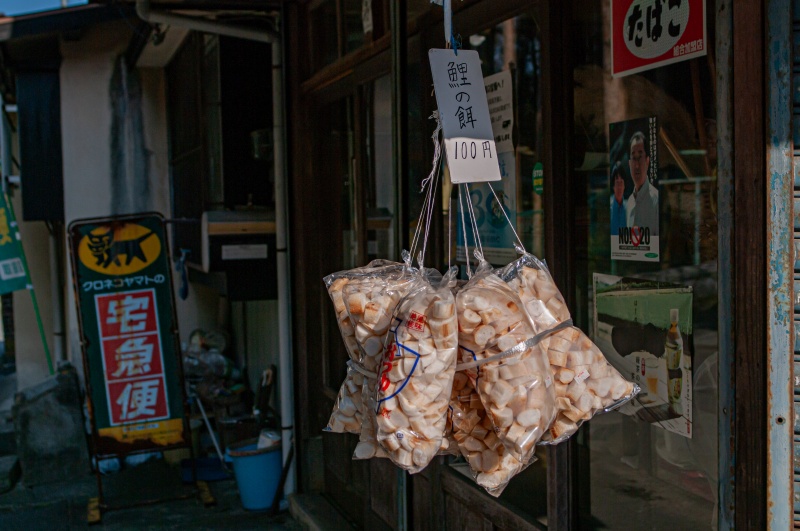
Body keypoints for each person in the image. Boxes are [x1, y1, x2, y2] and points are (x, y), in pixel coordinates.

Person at [625, 131, 659, 236]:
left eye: (640, 157)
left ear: (647, 161)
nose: (637, 165)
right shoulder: (629, 202)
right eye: (634, 158)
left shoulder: (656, 200)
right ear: (629, 164)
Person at [610, 162, 626, 235]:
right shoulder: (608, 207)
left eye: (621, 183)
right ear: (613, 186)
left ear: (624, 186)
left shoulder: (630, 208)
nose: (619, 187)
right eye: (617, 183)